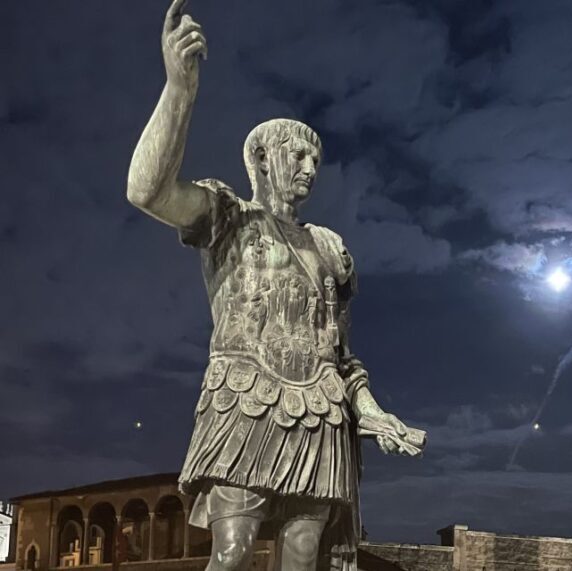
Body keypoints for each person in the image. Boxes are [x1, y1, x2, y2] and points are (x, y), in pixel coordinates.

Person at [126, 2, 424, 569]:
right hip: (245, 397)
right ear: (262, 158)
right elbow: (147, 191)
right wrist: (179, 90)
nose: (312, 167)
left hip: (321, 410)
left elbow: (340, 354)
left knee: (303, 554)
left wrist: (376, 413)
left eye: (317, 158)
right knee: (233, 552)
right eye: (301, 154)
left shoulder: (332, 248)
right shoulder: (228, 215)